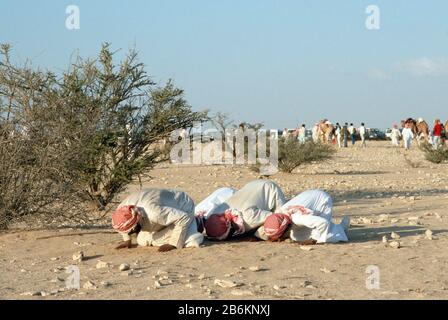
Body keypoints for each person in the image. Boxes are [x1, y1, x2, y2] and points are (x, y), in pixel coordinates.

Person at [112, 188, 203, 252]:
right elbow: (125, 223)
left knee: (155, 240)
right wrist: (127, 240)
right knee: (142, 240)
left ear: (136, 222)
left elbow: (183, 217)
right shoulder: (122, 210)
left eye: (130, 232)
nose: (129, 233)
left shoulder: (154, 213)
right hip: (165, 210)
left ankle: (197, 223)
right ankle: (191, 225)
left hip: (183, 207)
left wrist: (173, 243)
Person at [203, 180, 286, 241]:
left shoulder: (249, 217)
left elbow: (275, 217)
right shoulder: (217, 211)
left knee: (276, 225)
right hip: (251, 185)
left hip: (270, 189)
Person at [263, 190, 350, 244]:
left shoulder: (298, 218)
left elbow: (323, 223)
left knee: (323, 234)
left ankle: (342, 227)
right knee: (296, 236)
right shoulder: (280, 213)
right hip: (310, 195)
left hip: (322, 200)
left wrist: (318, 241)